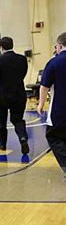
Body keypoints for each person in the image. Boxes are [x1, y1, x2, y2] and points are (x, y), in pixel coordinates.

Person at [0, 37, 29, 153]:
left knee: (2, 121)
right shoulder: (22, 59)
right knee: (17, 119)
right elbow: (23, 74)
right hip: (19, 94)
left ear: (1, 48)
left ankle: (2, 144)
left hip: (2, 95)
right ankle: (23, 138)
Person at [37, 32, 66, 176]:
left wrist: (40, 104)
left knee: (54, 137)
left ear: (59, 46)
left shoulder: (53, 62)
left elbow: (44, 86)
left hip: (60, 109)